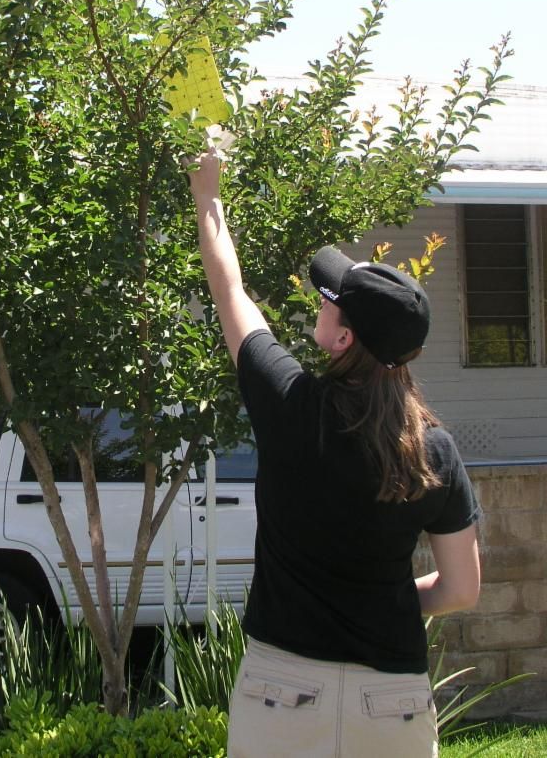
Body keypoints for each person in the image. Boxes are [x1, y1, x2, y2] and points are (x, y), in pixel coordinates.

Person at [186, 135, 481, 758]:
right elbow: (460, 591)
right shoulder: (436, 453)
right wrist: (390, 600)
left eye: (329, 299)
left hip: (279, 694)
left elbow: (229, 291)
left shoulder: (293, 408)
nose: (320, 297)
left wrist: (207, 196)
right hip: (394, 708)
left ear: (343, 337)